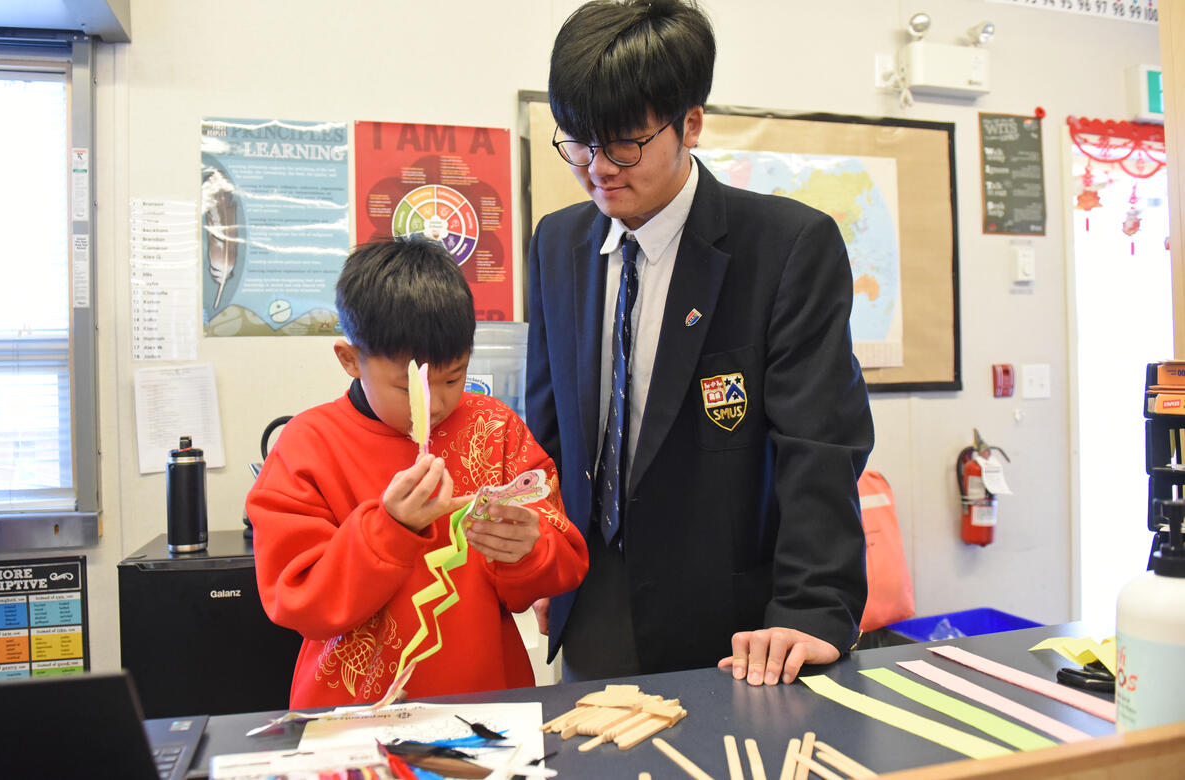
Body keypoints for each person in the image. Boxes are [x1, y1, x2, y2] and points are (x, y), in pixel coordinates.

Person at [526, 0, 875, 687]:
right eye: (577, 141)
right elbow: (549, 425)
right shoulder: (558, 243)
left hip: (738, 628)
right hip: (589, 601)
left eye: (624, 143)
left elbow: (821, 447)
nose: (598, 168)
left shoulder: (785, 248)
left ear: (690, 123)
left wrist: (810, 609)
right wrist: (542, 557)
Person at [248, 236, 589, 708]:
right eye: (411, 387)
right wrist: (388, 531)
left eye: (454, 377)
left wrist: (528, 552)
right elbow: (297, 600)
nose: (438, 403)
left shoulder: (494, 428)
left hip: (487, 702)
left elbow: (564, 560)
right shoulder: (307, 446)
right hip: (353, 714)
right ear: (350, 360)